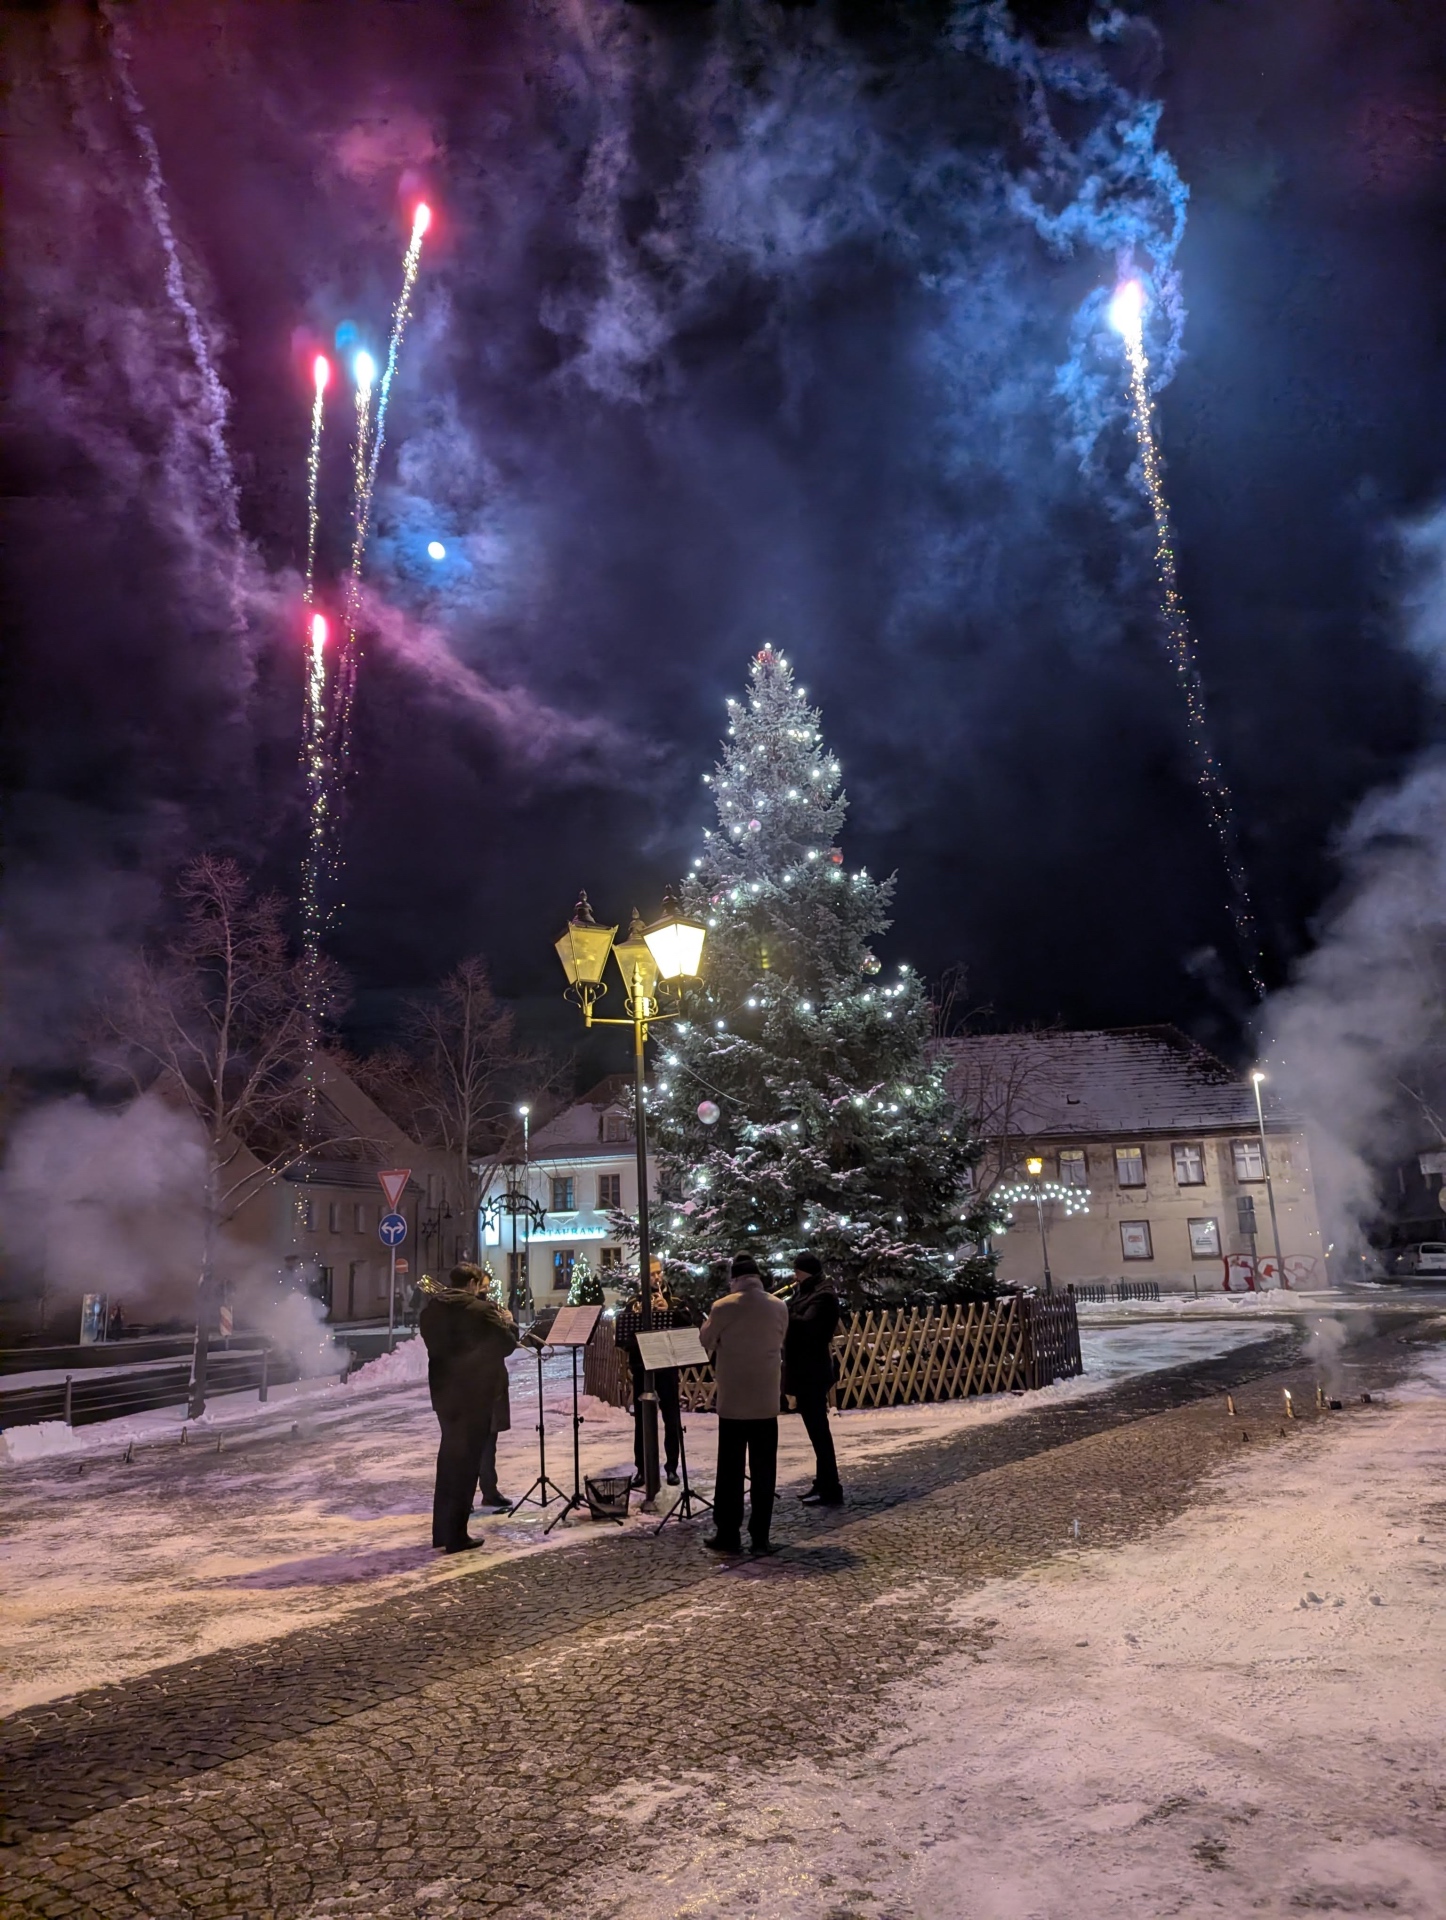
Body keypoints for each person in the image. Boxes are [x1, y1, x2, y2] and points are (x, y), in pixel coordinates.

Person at [418, 1264, 518, 1553]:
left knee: (448, 1461)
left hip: (444, 1396)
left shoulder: (431, 1311)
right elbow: (507, 1344)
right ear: (473, 1282)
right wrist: (508, 1322)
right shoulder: (479, 1310)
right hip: (475, 1396)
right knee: (466, 1466)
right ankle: (457, 1535)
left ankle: (442, 1532)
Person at [699, 1254, 789, 1555]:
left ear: (734, 1279)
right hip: (766, 1400)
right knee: (764, 1470)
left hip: (734, 1401)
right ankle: (760, 1536)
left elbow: (706, 1340)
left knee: (731, 1470)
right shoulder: (779, 1306)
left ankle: (728, 1532)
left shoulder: (723, 1307)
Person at [614, 1263, 686, 1489]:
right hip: (642, 1366)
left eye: (658, 1273)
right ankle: (642, 1469)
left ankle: (672, 1467)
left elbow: (688, 1324)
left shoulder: (674, 1301)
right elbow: (624, 1339)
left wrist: (668, 1312)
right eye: (651, 1274)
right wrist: (634, 1318)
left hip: (667, 1365)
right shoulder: (633, 1302)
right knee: (642, 1420)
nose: (656, 1277)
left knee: (672, 1417)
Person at [784, 1251, 844, 1507]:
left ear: (806, 1272)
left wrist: (784, 1313)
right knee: (817, 1431)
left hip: (813, 1371)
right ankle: (823, 1482)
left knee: (819, 1432)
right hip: (804, 1369)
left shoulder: (823, 1295)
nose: (794, 1277)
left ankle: (830, 1487)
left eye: (797, 1272)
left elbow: (808, 1327)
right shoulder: (806, 1291)